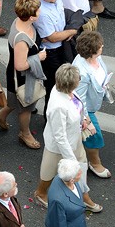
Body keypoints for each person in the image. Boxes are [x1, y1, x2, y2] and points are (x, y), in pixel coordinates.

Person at [33, 64, 100, 212]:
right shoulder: (59, 106)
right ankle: (41, 193)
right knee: (48, 173)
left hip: (74, 138)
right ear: (72, 84)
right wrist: (70, 159)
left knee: (81, 166)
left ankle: (84, 196)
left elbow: (78, 107)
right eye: (78, 79)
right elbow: (59, 136)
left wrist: (83, 120)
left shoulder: (67, 91)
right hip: (57, 146)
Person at [0, 0, 46, 149]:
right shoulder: (21, 40)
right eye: (38, 10)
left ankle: (0, 114)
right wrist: (38, 57)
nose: (40, 11)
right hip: (22, 78)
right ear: (31, 17)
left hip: (19, 75)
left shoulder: (20, 22)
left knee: (15, 100)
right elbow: (20, 65)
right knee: (25, 107)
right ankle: (25, 133)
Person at [72, 32, 111, 179]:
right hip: (86, 108)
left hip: (94, 101)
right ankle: (95, 163)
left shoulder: (96, 57)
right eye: (100, 46)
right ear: (92, 51)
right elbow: (79, 99)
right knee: (94, 135)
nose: (102, 47)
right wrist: (86, 120)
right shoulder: (81, 71)